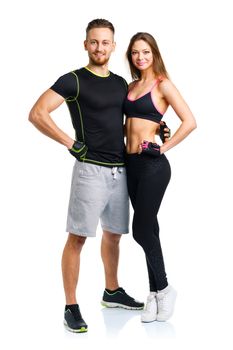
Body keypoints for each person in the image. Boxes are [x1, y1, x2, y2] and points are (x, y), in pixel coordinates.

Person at [28, 19, 170, 333]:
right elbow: (37, 113)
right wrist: (71, 143)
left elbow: (119, 123)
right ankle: (71, 306)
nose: (99, 48)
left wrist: (155, 127)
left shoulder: (121, 83)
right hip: (90, 169)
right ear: (85, 45)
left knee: (114, 234)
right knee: (78, 237)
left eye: (105, 42)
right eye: (94, 42)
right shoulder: (73, 80)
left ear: (113, 46)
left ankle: (112, 290)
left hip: (121, 169)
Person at [124, 32, 197, 323]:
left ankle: (165, 288)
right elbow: (129, 125)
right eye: (135, 53)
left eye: (145, 52)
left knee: (140, 229)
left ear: (154, 53)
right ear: (130, 56)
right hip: (129, 165)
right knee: (149, 230)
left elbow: (190, 121)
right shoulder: (130, 86)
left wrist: (162, 145)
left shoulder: (162, 83)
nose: (140, 57)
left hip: (153, 166)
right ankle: (154, 293)